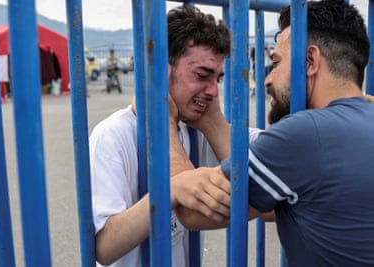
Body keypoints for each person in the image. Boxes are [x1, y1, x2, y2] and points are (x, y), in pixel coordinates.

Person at [172, 1, 374, 266]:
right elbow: (271, 203)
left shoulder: (307, 133)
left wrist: (160, 116)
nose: (267, 79)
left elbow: (190, 208)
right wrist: (212, 123)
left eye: (276, 63)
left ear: (310, 61)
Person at [89, 6, 234, 266]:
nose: (214, 91)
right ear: (161, 71)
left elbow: (260, 179)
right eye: (202, 75)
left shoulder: (196, 129)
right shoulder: (113, 134)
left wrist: (214, 122)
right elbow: (104, 247)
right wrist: (169, 192)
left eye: (218, 79)